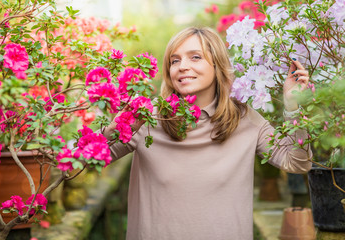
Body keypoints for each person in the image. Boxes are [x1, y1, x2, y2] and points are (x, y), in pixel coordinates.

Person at [106, 27, 312, 240]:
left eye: (195, 57)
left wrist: (293, 107)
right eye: (174, 61)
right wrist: (111, 131)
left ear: (217, 65)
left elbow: (298, 163)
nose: (182, 67)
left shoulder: (244, 119)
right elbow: (84, 159)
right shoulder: (147, 121)